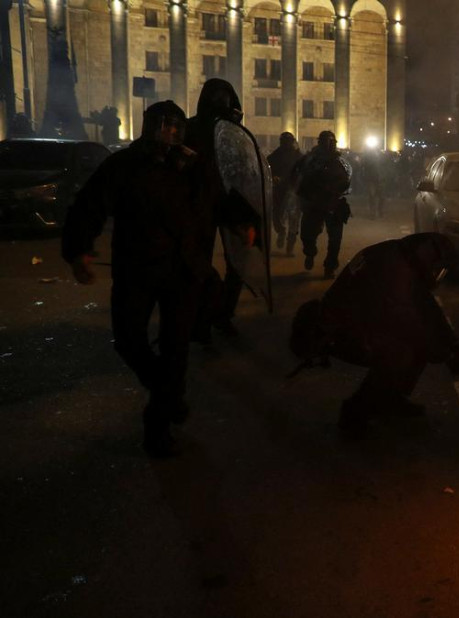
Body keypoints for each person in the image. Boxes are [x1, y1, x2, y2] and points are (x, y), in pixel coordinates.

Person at [61, 101, 206, 457]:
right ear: (150, 125)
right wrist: (79, 249)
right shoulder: (124, 164)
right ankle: (168, 394)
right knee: (128, 340)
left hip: (182, 270)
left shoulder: (191, 166)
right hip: (137, 267)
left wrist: (244, 222)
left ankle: (158, 429)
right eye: (164, 125)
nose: (171, 133)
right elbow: (90, 204)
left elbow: (216, 199)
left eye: (177, 127)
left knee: (176, 348)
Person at [289, 233, 459, 437]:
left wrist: (451, 343)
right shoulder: (396, 273)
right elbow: (410, 322)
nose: (437, 275)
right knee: (402, 353)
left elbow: (426, 307)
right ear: (429, 256)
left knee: (413, 346)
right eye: (438, 269)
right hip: (340, 333)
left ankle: (390, 400)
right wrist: (447, 355)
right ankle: (355, 414)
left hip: (354, 324)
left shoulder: (398, 256)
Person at [187, 78, 257, 341]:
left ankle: (223, 315)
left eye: (224, 95)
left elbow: (245, 173)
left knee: (237, 267)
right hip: (201, 205)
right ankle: (200, 320)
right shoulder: (191, 128)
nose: (220, 100)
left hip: (232, 206)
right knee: (199, 266)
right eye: (215, 95)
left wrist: (248, 216)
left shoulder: (235, 132)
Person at [292, 130, 352, 278]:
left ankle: (330, 266)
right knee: (307, 235)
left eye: (331, 142)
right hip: (314, 203)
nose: (329, 145)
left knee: (335, 239)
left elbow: (347, 180)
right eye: (326, 142)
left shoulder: (341, 161)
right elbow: (296, 174)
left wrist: (336, 190)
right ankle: (310, 253)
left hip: (333, 203)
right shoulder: (309, 160)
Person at [268, 132, 303, 255]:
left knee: (294, 220)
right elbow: (267, 168)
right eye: (284, 141)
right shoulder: (275, 156)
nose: (286, 143)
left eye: (288, 141)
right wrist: (274, 177)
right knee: (277, 217)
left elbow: (304, 172)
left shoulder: (298, 156)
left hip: (294, 192)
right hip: (280, 191)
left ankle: (290, 245)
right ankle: (281, 232)